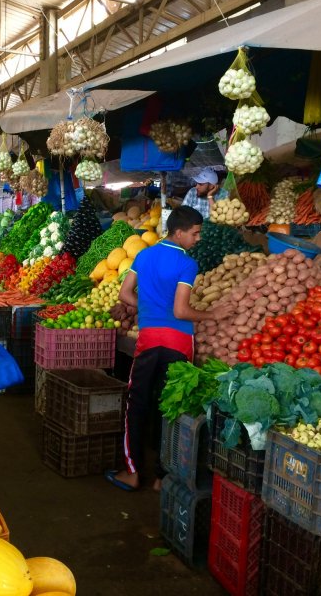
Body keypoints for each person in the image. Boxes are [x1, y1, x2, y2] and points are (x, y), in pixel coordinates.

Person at [105, 206, 235, 493]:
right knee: (170, 408)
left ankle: (132, 472)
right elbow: (180, 310)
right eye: (195, 233)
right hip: (177, 343)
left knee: (136, 404)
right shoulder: (187, 263)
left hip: (149, 340)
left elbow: (124, 294)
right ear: (179, 233)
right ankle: (162, 477)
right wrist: (213, 314)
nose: (198, 239)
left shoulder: (145, 255)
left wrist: (149, 309)